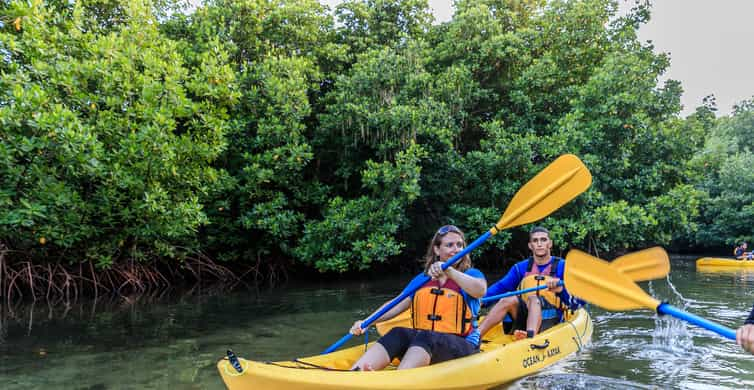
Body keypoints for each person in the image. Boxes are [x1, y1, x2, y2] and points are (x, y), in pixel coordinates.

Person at [349, 225, 487, 371]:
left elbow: (480, 290)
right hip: (425, 345)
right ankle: (357, 374)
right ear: (436, 249)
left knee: (428, 336)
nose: (456, 249)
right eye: (449, 245)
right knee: (398, 332)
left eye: (460, 245)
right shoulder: (422, 279)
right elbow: (396, 304)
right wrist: (367, 322)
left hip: (463, 346)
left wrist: (450, 271)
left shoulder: (472, 274)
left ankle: (398, 381)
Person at [477, 226, 580, 340]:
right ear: (530, 246)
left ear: (550, 244)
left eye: (543, 240)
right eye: (535, 241)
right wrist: (480, 301)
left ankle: (530, 339)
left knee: (533, 299)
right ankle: (475, 338)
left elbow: (577, 302)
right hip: (524, 319)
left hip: (553, 319)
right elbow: (501, 287)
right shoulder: (520, 268)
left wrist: (561, 290)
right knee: (507, 298)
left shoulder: (564, 267)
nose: (539, 244)